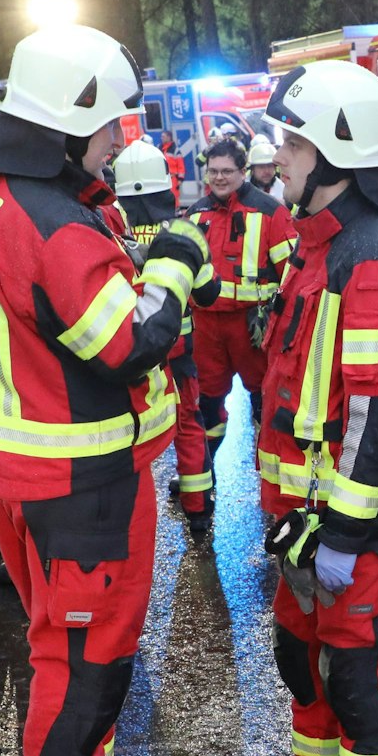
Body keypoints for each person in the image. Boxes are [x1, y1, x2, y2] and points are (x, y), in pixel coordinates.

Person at [0, 25, 207, 756]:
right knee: (86, 653)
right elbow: (129, 344)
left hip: (20, 470)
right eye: (109, 125)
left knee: (56, 639)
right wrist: (173, 264)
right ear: (65, 121)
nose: (119, 141)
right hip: (82, 475)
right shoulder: (54, 224)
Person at [244, 61, 378, 756]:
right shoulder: (316, 245)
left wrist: (348, 529)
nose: (277, 156)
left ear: (335, 154)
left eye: (292, 142)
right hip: (309, 515)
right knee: (301, 651)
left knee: (356, 667)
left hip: (360, 518)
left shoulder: (371, 255)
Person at [111, 137, 221, 537]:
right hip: (178, 352)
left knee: (127, 432)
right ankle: (198, 509)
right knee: (189, 425)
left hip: (128, 352)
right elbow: (209, 293)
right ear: (166, 185)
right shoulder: (183, 230)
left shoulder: (108, 228)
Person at [188, 137, 295, 459]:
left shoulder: (271, 213)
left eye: (227, 171)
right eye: (213, 171)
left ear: (242, 171)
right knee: (205, 402)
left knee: (266, 399)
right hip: (206, 328)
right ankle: (202, 470)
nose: (219, 178)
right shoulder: (195, 215)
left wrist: (280, 322)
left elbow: (292, 276)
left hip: (253, 328)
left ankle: (271, 470)